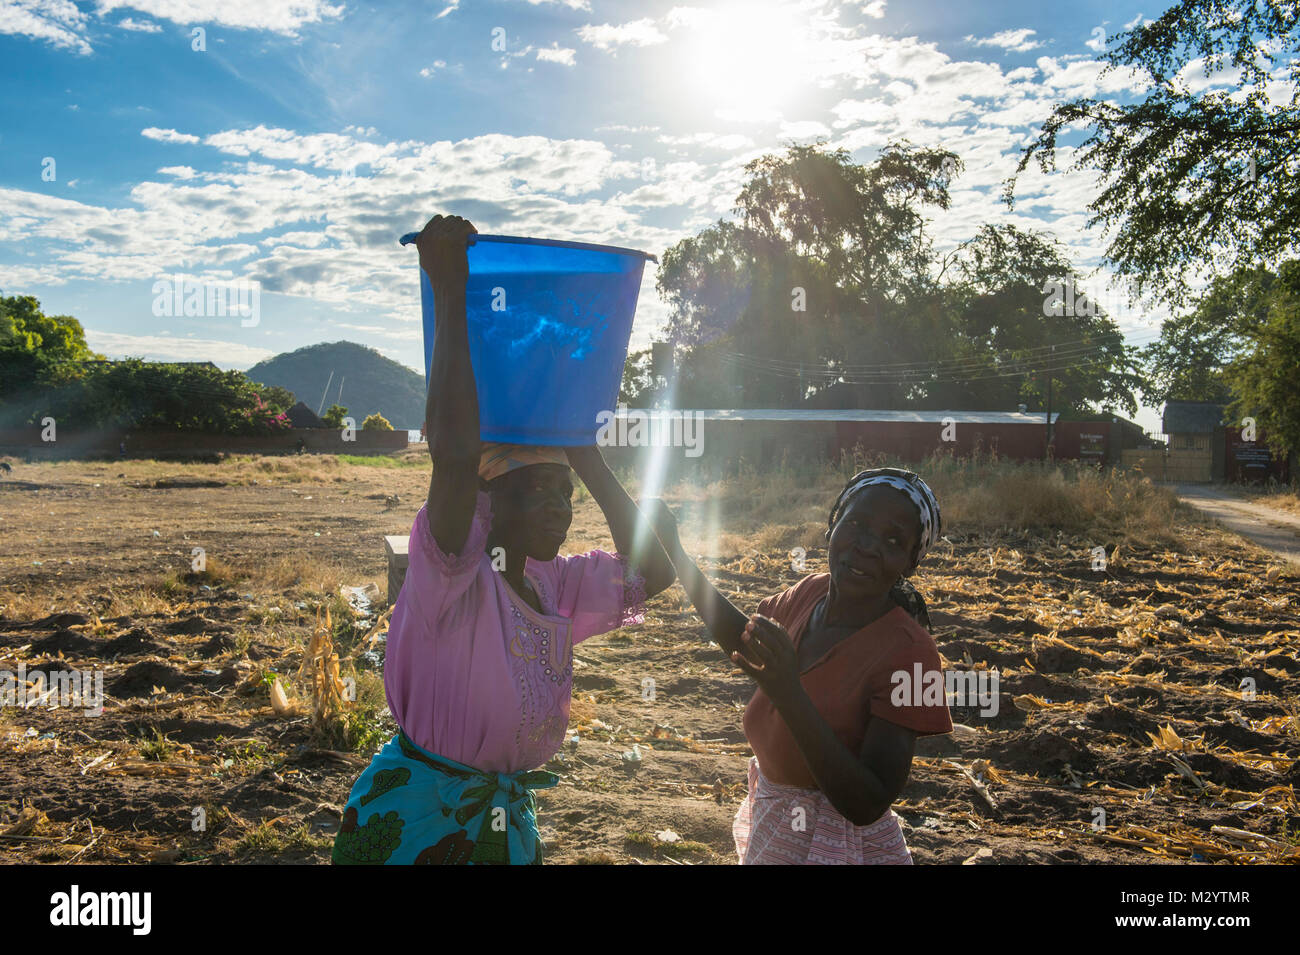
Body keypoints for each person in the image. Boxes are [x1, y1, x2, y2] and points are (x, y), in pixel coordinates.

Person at [332, 214, 675, 865]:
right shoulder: (454, 572)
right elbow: (456, 456)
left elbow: (653, 571)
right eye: (538, 490)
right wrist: (449, 289)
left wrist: (589, 462)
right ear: (490, 499)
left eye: (565, 493)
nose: (560, 507)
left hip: (503, 825)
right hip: (417, 827)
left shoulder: (555, 585)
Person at [644, 467, 952, 864]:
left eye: (893, 540)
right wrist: (677, 552)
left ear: (910, 563)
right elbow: (746, 639)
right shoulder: (811, 593)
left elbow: (867, 803)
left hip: (838, 845)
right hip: (778, 824)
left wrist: (789, 693)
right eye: (856, 523)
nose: (868, 546)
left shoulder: (913, 655)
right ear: (832, 526)